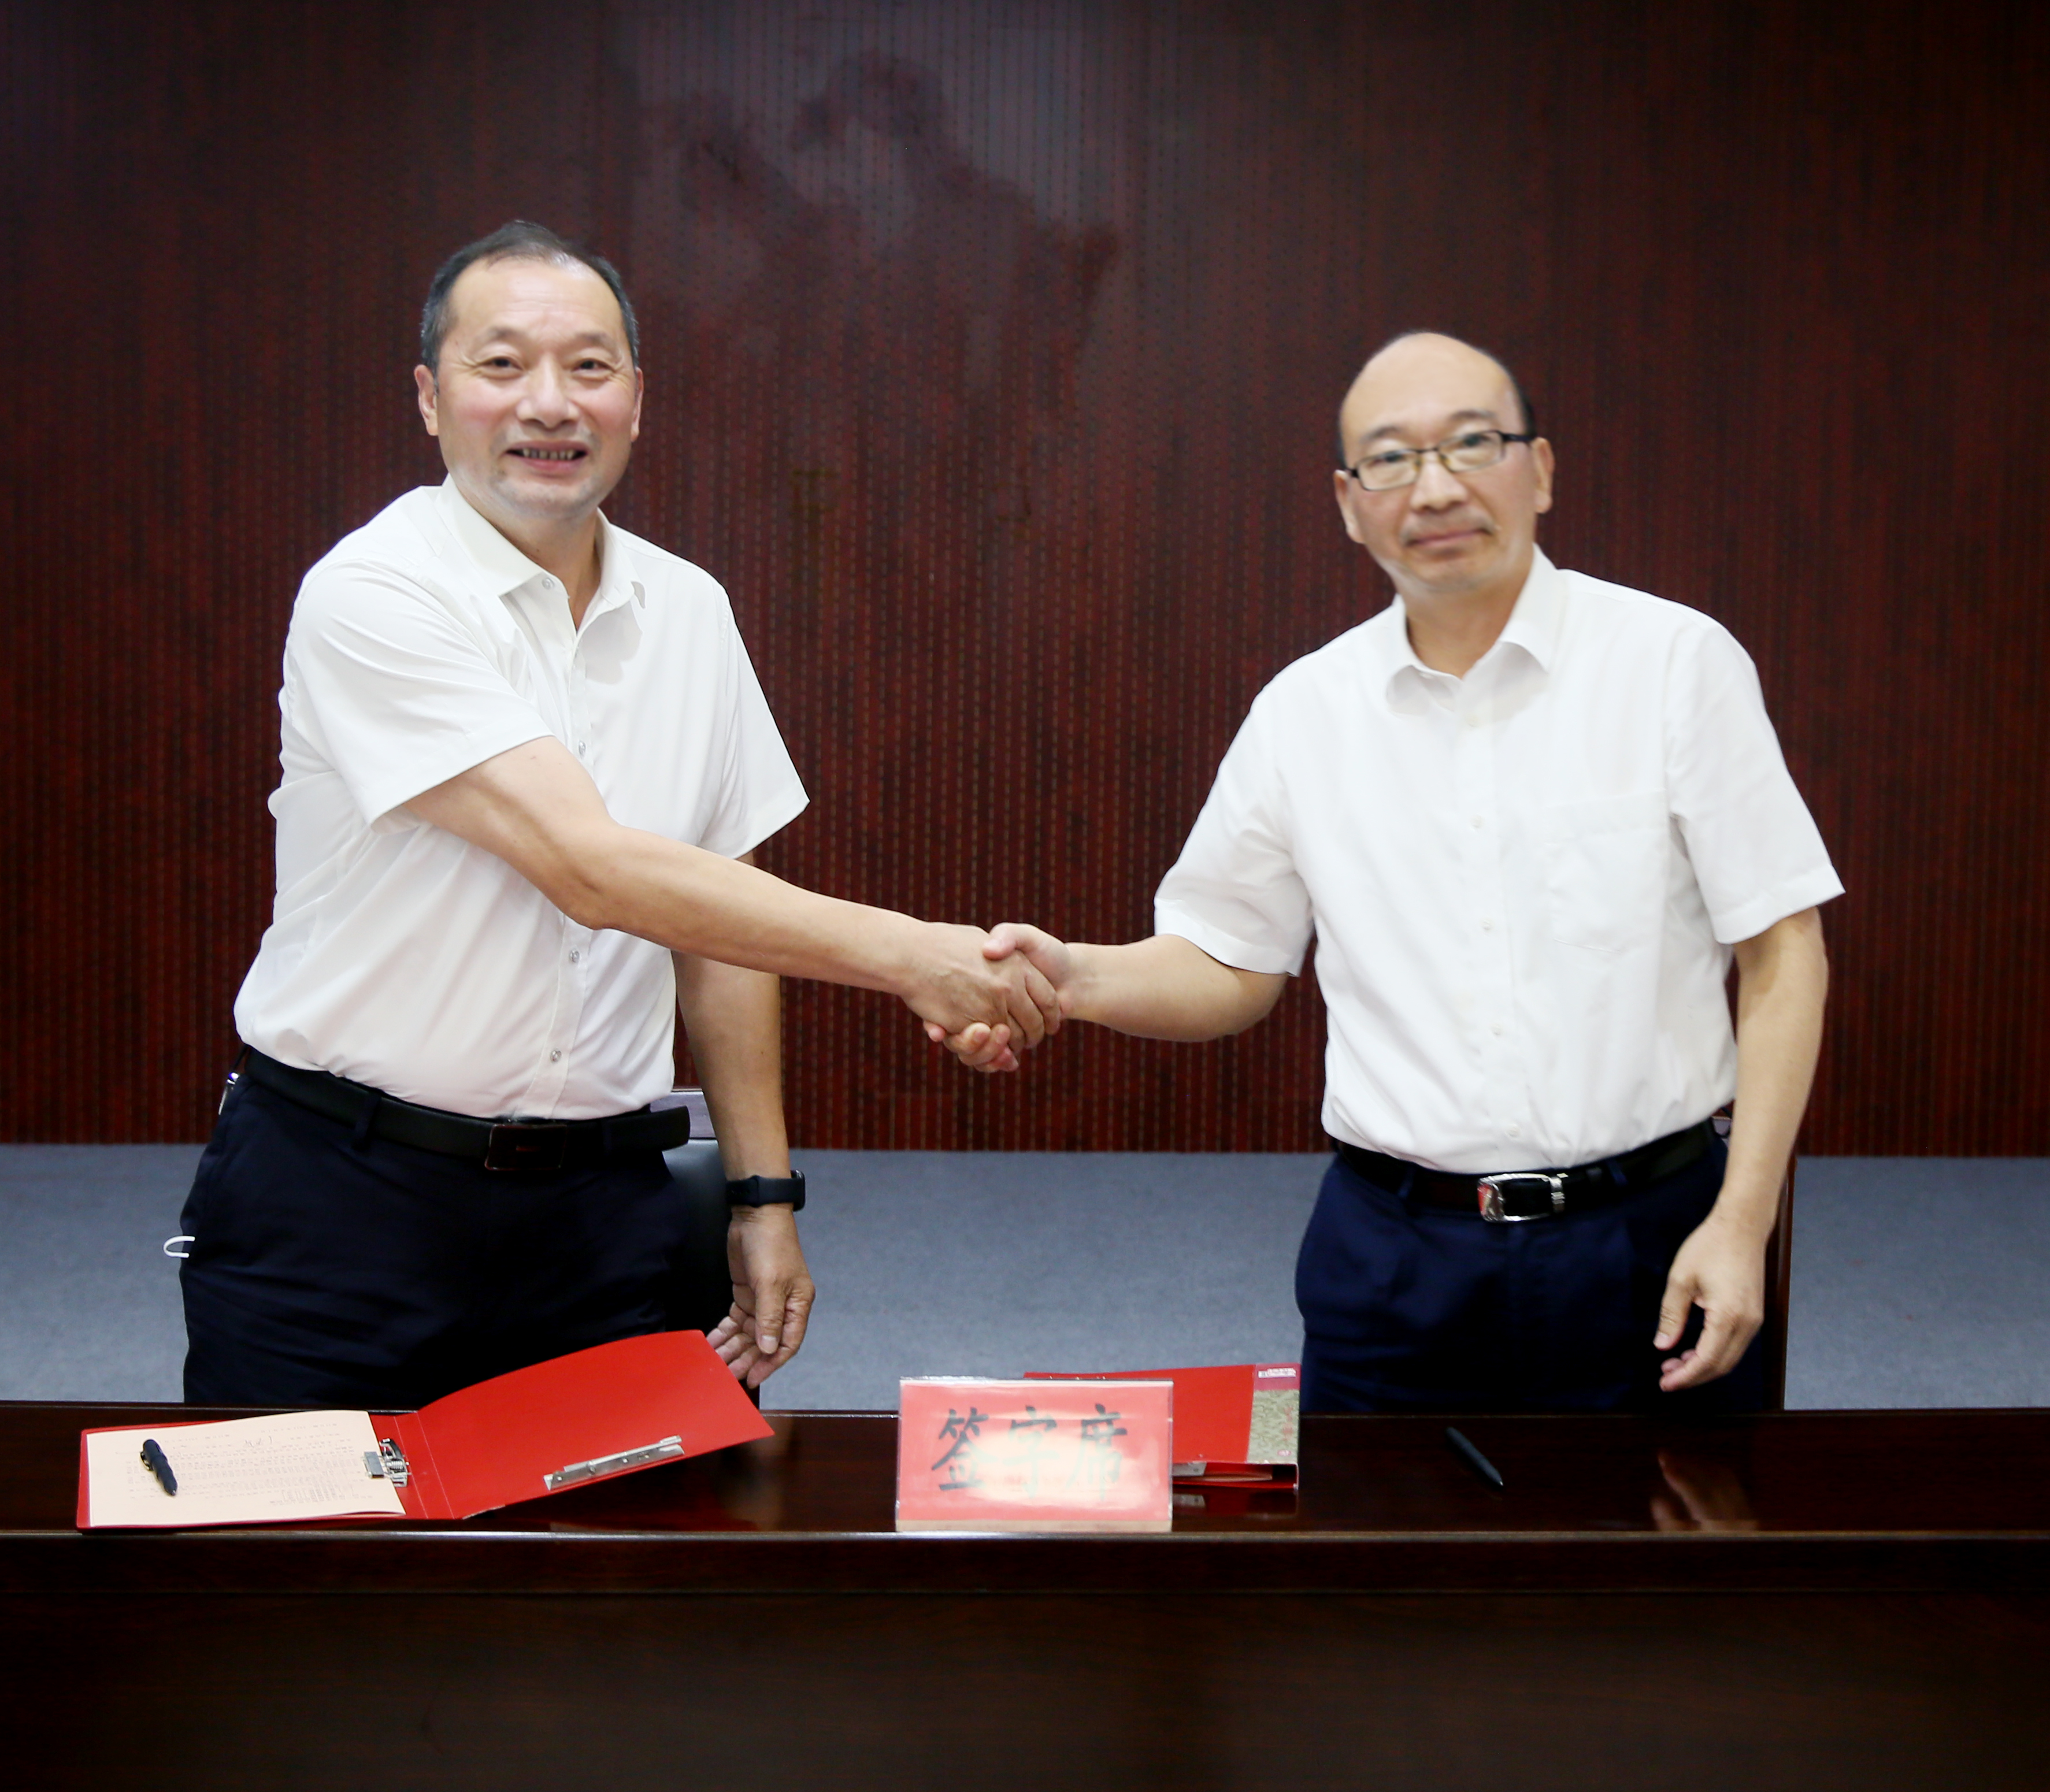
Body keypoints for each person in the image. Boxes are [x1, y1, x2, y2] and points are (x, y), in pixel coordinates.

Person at [180, 221, 1055, 1409]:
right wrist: (912, 957)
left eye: (588, 367)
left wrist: (761, 1198)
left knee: (631, 1534)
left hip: (602, 1214)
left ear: (636, 399)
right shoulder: (372, 592)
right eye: (502, 365)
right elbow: (588, 867)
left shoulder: (689, 611)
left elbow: (722, 928)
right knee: (314, 1529)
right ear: (430, 399)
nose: (549, 402)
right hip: (345, 1199)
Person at [952, 331, 1839, 1412]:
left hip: (1648, 1241)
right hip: (1393, 1258)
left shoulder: (1674, 664)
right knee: (1369, 1530)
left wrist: (1742, 1220)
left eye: (1472, 444)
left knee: (1671, 1529)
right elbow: (1228, 961)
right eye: (1391, 458)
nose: (1436, 487)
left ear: (1539, 469)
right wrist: (1074, 977)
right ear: (1348, 501)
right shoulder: (1304, 712)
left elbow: (1783, 949)